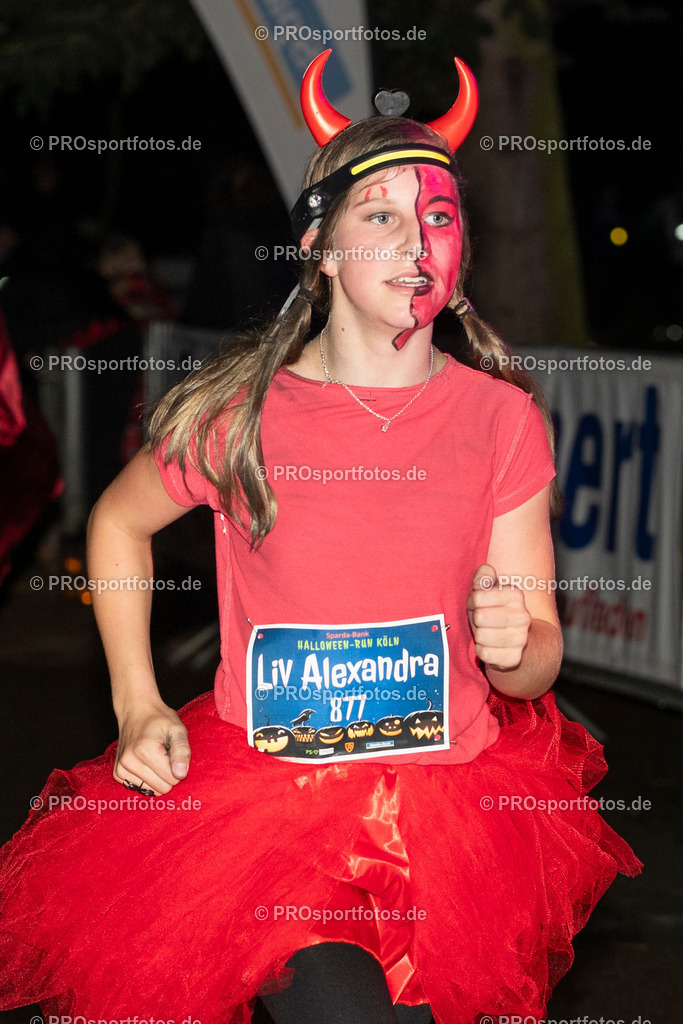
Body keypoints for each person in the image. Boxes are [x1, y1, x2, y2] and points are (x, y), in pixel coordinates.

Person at [0, 52, 641, 1024]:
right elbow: (118, 522)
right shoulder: (243, 413)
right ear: (319, 244)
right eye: (378, 214)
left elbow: (534, 656)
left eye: (436, 215)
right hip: (268, 819)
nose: (414, 239)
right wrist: (136, 704)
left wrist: (519, 649)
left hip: (448, 822)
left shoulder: (500, 419)